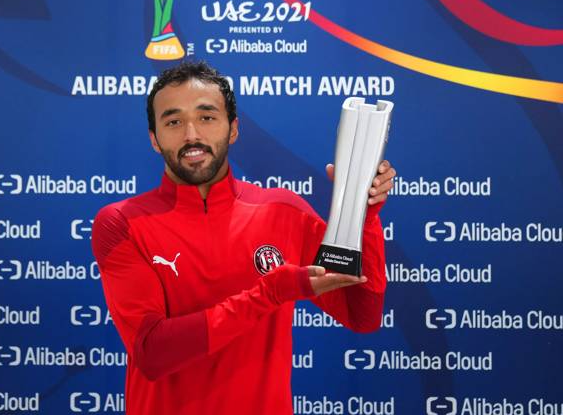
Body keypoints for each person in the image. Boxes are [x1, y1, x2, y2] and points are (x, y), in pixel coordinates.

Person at [91, 61, 396, 414]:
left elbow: (362, 314)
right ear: (154, 140)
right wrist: (271, 293)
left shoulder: (283, 211)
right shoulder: (121, 223)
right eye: (173, 122)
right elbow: (152, 353)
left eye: (207, 117)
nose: (191, 134)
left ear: (233, 129)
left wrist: (364, 215)